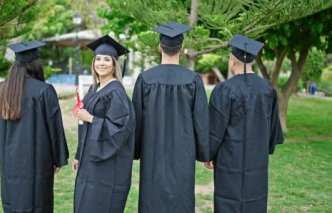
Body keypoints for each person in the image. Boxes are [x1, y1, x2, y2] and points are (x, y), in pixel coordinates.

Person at [132, 22, 210, 213]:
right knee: (181, 194)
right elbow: (201, 120)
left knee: (152, 193)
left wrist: (135, 150)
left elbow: (137, 120)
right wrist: (205, 153)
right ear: (181, 49)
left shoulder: (145, 78)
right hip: (183, 149)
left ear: (160, 47)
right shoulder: (192, 79)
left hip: (152, 148)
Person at [205, 34, 284, 212]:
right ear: (253, 62)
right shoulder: (267, 90)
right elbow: (272, 130)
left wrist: (209, 153)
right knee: (254, 202)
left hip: (228, 162)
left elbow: (215, 129)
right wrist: (267, 149)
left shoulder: (224, 90)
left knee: (229, 203)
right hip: (257, 162)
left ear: (233, 60)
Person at [0, 40, 69, 213]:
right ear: (36, 64)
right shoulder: (44, 91)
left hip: (10, 162)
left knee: (13, 203)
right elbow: (55, 128)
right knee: (38, 203)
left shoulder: (1, 90)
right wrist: (58, 158)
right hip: (39, 162)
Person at [72, 35, 136, 213]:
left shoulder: (116, 92)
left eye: (107, 59)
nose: (101, 63)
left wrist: (91, 118)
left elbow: (121, 129)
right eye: (98, 59)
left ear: (114, 64)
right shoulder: (95, 88)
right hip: (90, 158)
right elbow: (84, 127)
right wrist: (79, 155)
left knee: (98, 204)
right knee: (85, 201)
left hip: (107, 163)